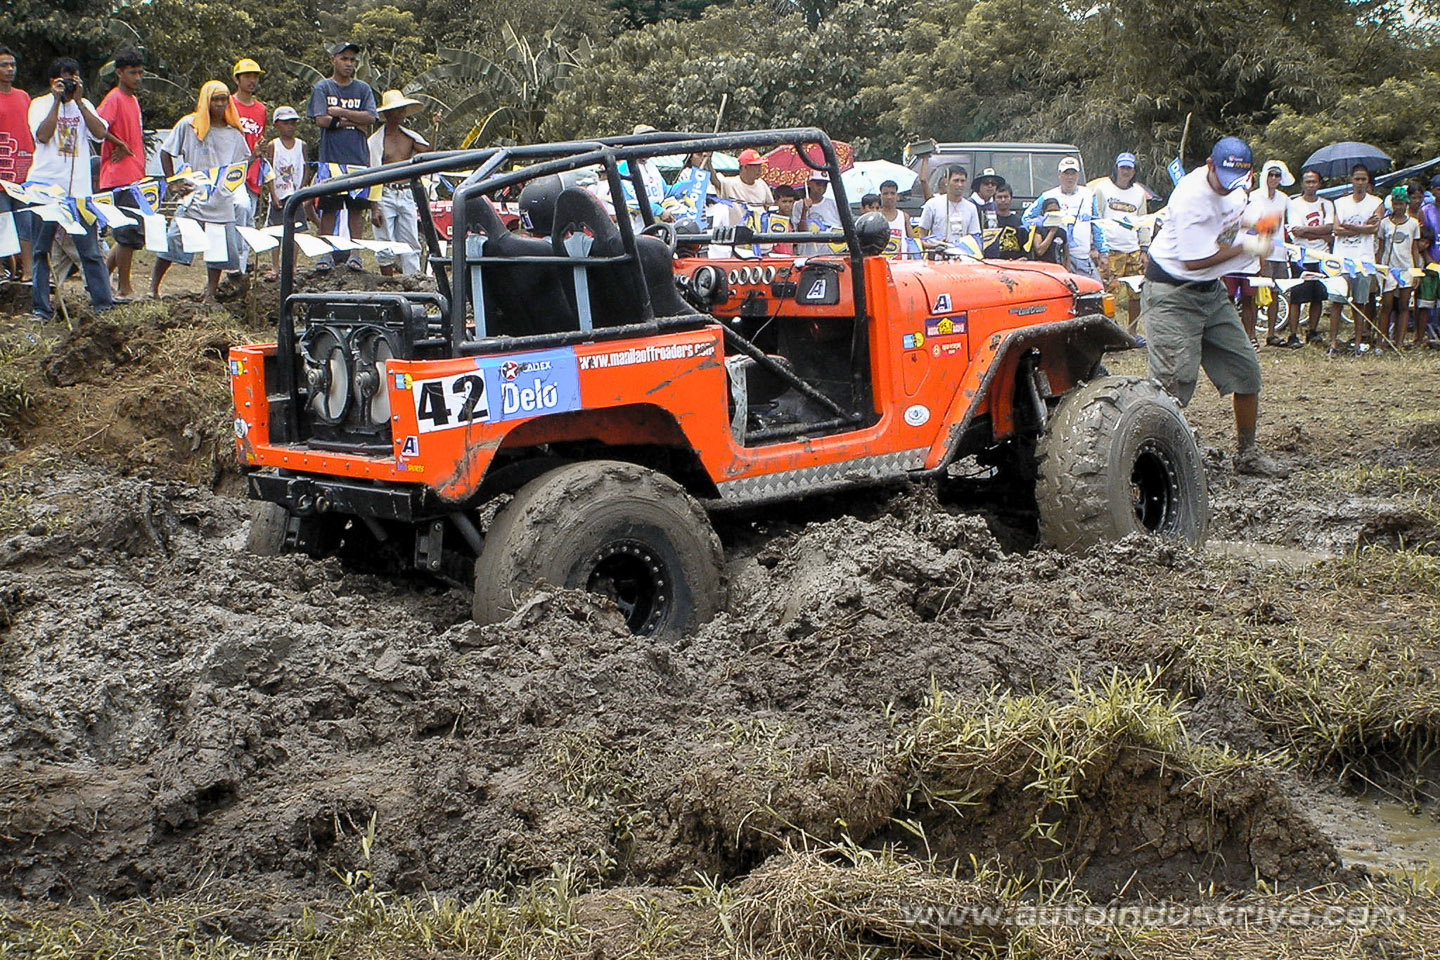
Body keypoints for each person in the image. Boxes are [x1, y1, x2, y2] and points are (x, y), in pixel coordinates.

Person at [1141, 136, 1287, 477]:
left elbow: (1234, 218)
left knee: (1247, 370)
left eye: (1237, 180)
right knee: (1172, 385)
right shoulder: (1192, 198)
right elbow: (1195, 261)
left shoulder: (1238, 186)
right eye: (1222, 178)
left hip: (1211, 292)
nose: (1228, 187)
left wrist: (1259, 223)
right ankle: (1153, 463)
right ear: (1209, 165)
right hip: (1172, 293)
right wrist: (1249, 247)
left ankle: (1248, 454)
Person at [27, 57, 117, 319]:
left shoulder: (84, 105)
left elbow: (100, 133)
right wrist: (57, 101)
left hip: (78, 193)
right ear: (52, 81)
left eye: (73, 79)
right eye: (64, 80)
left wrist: (78, 102)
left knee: (90, 251)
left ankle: (103, 306)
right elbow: (43, 135)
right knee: (41, 252)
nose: (69, 84)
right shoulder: (39, 105)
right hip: (44, 190)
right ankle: (41, 309)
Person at [149, 81, 250, 301]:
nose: (221, 104)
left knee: (218, 249)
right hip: (192, 196)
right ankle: (153, 288)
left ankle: (210, 294)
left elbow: (241, 164)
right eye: (216, 99)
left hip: (221, 198)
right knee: (173, 241)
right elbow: (166, 152)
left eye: (224, 99)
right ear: (206, 100)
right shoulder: (189, 125)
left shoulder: (234, 133)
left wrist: (258, 155)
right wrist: (172, 182)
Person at [309, 40, 377, 271]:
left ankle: (355, 253)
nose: (349, 64)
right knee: (329, 208)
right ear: (333, 60)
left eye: (352, 60)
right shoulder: (323, 88)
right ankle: (325, 252)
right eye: (344, 59)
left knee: (356, 209)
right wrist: (351, 120)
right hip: (331, 159)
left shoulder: (363, 89)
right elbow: (321, 119)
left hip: (357, 159)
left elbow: (370, 118)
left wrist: (339, 113)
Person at [96, 48, 145, 299]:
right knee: (127, 233)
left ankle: (102, 278)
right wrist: (119, 143)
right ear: (119, 73)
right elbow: (96, 126)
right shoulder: (113, 98)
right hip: (117, 176)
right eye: (132, 73)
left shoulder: (133, 100)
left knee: (133, 233)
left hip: (134, 174)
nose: (137, 78)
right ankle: (124, 286)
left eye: (139, 72)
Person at [367, 89, 428, 276]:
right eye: (396, 110)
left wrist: (434, 128)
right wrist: (374, 207)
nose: (400, 114)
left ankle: (414, 280)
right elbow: (372, 175)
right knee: (384, 241)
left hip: (406, 192)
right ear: (387, 114)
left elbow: (429, 155)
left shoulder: (410, 138)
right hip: (385, 192)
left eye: (402, 110)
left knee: (410, 239)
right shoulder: (375, 142)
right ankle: (388, 282)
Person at [1328, 163, 1383, 355]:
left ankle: (1358, 342)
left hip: (1364, 259)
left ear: (1368, 181)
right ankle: (1333, 342)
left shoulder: (1376, 202)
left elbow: (1374, 228)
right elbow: (1336, 230)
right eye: (1357, 179)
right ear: (1351, 180)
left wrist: (1351, 227)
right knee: (1337, 301)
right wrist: (1362, 226)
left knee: (1360, 303)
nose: (1360, 183)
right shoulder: (1340, 203)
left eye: (1363, 179)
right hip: (1342, 258)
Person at [1093, 152, 1150, 337]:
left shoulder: (1139, 193)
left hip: (1132, 249)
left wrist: (1144, 248)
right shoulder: (1102, 189)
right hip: (1111, 250)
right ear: (1116, 168)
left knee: (1136, 293)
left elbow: (1143, 222)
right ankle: (1110, 332)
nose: (1126, 171)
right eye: (1122, 167)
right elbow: (1096, 218)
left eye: (1129, 168)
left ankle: (1132, 332)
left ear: (1134, 171)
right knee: (1110, 292)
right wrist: (1097, 248)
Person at [1024, 157, 1105, 279]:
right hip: (1058, 257)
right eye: (1066, 173)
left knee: (1097, 290)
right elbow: (1027, 218)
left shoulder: (1088, 194)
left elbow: (1096, 223)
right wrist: (1045, 228)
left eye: (1073, 173)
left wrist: (1101, 250)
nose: (1070, 177)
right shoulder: (1048, 195)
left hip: (1083, 256)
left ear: (1078, 175)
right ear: (1059, 175)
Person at [1246, 160, 1294, 346]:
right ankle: (1252, 335)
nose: (1274, 178)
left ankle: (1272, 333)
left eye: (1277, 175)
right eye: (1271, 174)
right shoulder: (1255, 197)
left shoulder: (1284, 198)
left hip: (1280, 252)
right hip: (1260, 251)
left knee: (1276, 294)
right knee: (1257, 294)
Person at [262, 105, 313, 281]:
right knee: (276, 232)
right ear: (277, 125)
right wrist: (273, 195)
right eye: (285, 123)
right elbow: (268, 171)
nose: (289, 126)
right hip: (278, 194)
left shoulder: (301, 145)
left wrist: (303, 189)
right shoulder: (273, 146)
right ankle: (275, 267)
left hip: (296, 193)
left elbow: (306, 168)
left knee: (296, 232)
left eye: (292, 123)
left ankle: (292, 267)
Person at [1285, 169, 1334, 345]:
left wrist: (1308, 231)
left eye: (1314, 181)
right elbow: (1296, 232)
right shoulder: (1294, 204)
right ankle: (1292, 334)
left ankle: (1313, 331)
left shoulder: (1326, 204)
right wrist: (1320, 232)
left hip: (1321, 255)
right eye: (1307, 182)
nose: (1311, 185)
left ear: (1319, 184)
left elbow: (1329, 227)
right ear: (1302, 184)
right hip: (1301, 255)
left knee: (1318, 296)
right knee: (1297, 297)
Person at [0, 46, 35, 283]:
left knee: (25, 224)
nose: (10, 69)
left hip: (24, 173)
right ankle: (5, 271)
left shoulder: (24, 97)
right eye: (4, 65)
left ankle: (29, 273)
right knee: (3, 224)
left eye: (12, 64)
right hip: (2, 171)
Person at [230, 58, 268, 276]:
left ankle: (241, 271)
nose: (252, 80)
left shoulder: (261, 109)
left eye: (255, 76)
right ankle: (231, 267)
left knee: (248, 222)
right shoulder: (227, 103)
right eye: (248, 76)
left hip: (252, 170)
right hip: (231, 170)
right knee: (238, 213)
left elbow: (258, 139)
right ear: (237, 79)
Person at [1377, 185, 1421, 348]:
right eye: (1396, 204)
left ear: (1406, 204)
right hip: (1389, 269)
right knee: (1386, 306)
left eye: (1402, 204)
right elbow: (1381, 249)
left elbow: (1414, 249)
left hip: (1406, 268)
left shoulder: (1413, 224)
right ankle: (1381, 342)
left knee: (1403, 306)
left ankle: (1399, 342)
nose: (1399, 207)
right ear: (1392, 204)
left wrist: (1416, 272)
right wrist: (1379, 269)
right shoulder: (1384, 224)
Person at [916, 165, 980, 249]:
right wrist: (933, 246)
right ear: (946, 181)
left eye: (962, 181)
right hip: (937, 256)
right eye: (956, 181)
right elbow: (921, 235)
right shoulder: (933, 204)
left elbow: (974, 237)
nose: (960, 184)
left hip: (963, 257)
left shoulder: (971, 208)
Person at [1417, 175, 1440, 344]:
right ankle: (1421, 336)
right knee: (1426, 302)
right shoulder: (1425, 211)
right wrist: (1428, 260)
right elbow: (1422, 238)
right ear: (1432, 190)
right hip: (1431, 262)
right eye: (1438, 189)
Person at [983, 182, 1029, 259]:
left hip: (1016, 264)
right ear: (994, 199)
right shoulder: (988, 221)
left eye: (1006, 197)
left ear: (1011, 198)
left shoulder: (1019, 221)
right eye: (999, 197)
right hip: (993, 264)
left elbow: (1025, 245)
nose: (1003, 200)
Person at [877, 179, 914, 257]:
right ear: (880, 196)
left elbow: (913, 242)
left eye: (892, 193)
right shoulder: (875, 217)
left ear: (897, 196)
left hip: (900, 266)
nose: (889, 197)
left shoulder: (904, 217)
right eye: (885, 193)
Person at [1031, 197, 1067, 265]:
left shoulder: (1062, 232)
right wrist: (1052, 232)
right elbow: (1039, 251)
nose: (1053, 214)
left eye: (1055, 211)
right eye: (1050, 211)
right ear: (1043, 212)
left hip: (1058, 267)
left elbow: (1066, 255)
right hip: (1042, 267)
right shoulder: (1039, 230)